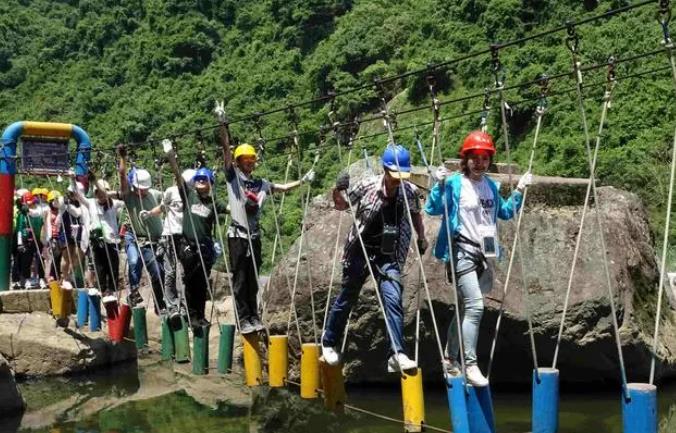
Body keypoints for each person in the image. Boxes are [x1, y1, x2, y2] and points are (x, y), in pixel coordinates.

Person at [424, 130, 532, 386]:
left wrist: (518, 191)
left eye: (485, 158)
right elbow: (433, 208)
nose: (480, 163)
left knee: (464, 308)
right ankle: (470, 365)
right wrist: (436, 185)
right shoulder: (454, 183)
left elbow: (505, 213)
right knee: (475, 306)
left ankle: (450, 358)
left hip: (484, 255)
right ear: (466, 159)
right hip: (462, 252)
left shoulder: (491, 186)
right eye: (475, 158)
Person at [321, 144, 428, 373]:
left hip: (387, 253)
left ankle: (397, 354)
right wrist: (337, 189)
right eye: (394, 175)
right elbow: (341, 205)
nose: (398, 180)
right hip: (360, 249)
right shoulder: (367, 185)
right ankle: (328, 343)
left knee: (393, 298)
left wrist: (422, 237)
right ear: (385, 169)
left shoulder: (409, 191)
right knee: (347, 296)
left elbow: (416, 214)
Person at [214, 101, 315, 334]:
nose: (249, 162)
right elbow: (225, 152)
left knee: (253, 278)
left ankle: (254, 316)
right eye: (245, 159)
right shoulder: (233, 178)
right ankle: (243, 319)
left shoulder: (260, 184)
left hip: (254, 236)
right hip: (238, 235)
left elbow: (281, 187)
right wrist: (223, 124)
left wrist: (303, 181)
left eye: (251, 159)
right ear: (239, 162)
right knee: (240, 279)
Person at [164, 139, 224, 326]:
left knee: (202, 283)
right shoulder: (189, 195)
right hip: (188, 246)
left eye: (203, 179)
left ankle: (200, 315)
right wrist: (171, 156)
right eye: (198, 179)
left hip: (204, 248)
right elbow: (177, 174)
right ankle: (192, 317)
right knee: (190, 281)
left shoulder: (213, 202)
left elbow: (230, 207)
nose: (200, 181)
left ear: (210, 183)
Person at [116, 145, 165, 310]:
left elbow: (168, 204)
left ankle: (161, 305)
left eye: (145, 189)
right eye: (139, 189)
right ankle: (134, 292)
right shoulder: (129, 196)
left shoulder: (156, 194)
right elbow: (122, 176)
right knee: (133, 261)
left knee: (158, 273)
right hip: (136, 237)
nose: (142, 192)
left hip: (154, 241)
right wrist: (122, 157)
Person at [146, 167, 196, 320]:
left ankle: (185, 304)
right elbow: (162, 207)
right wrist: (149, 214)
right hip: (169, 235)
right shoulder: (171, 191)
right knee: (170, 271)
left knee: (186, 271)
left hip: (185, 236)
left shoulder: (194, 194)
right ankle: (171, 304)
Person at [71, 174, 123, 304]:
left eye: (103, 192)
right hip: (97, 240)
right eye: (97, 192)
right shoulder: (91, 203)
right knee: (99, 266)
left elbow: (124, 195)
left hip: (112, 240)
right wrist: (72, 180)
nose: (100, 195)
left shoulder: (114, 204)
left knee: (113, 266)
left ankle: (111, 290)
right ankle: (103, 289)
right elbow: (78, 195)